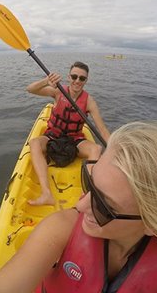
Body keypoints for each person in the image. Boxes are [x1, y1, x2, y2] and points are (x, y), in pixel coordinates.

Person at [0, 122, 157, 293]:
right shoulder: (61, 227)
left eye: (104, 206)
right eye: (89, 182)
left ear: (154, 224)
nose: (80, 204)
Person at [25, 61, 110, 206]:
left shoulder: (89, 101)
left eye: (82, 78)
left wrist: (116, 149)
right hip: (53, 136)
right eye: (74, 76)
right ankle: (46, 194)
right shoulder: (58, 91)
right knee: (34, 143)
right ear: (69, 77)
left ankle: (87, 193)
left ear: (86, 81)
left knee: (96, 149)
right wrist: (47, 81)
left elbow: (101, 129)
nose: (77, 81)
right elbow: (30, 89)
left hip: (74, 140)